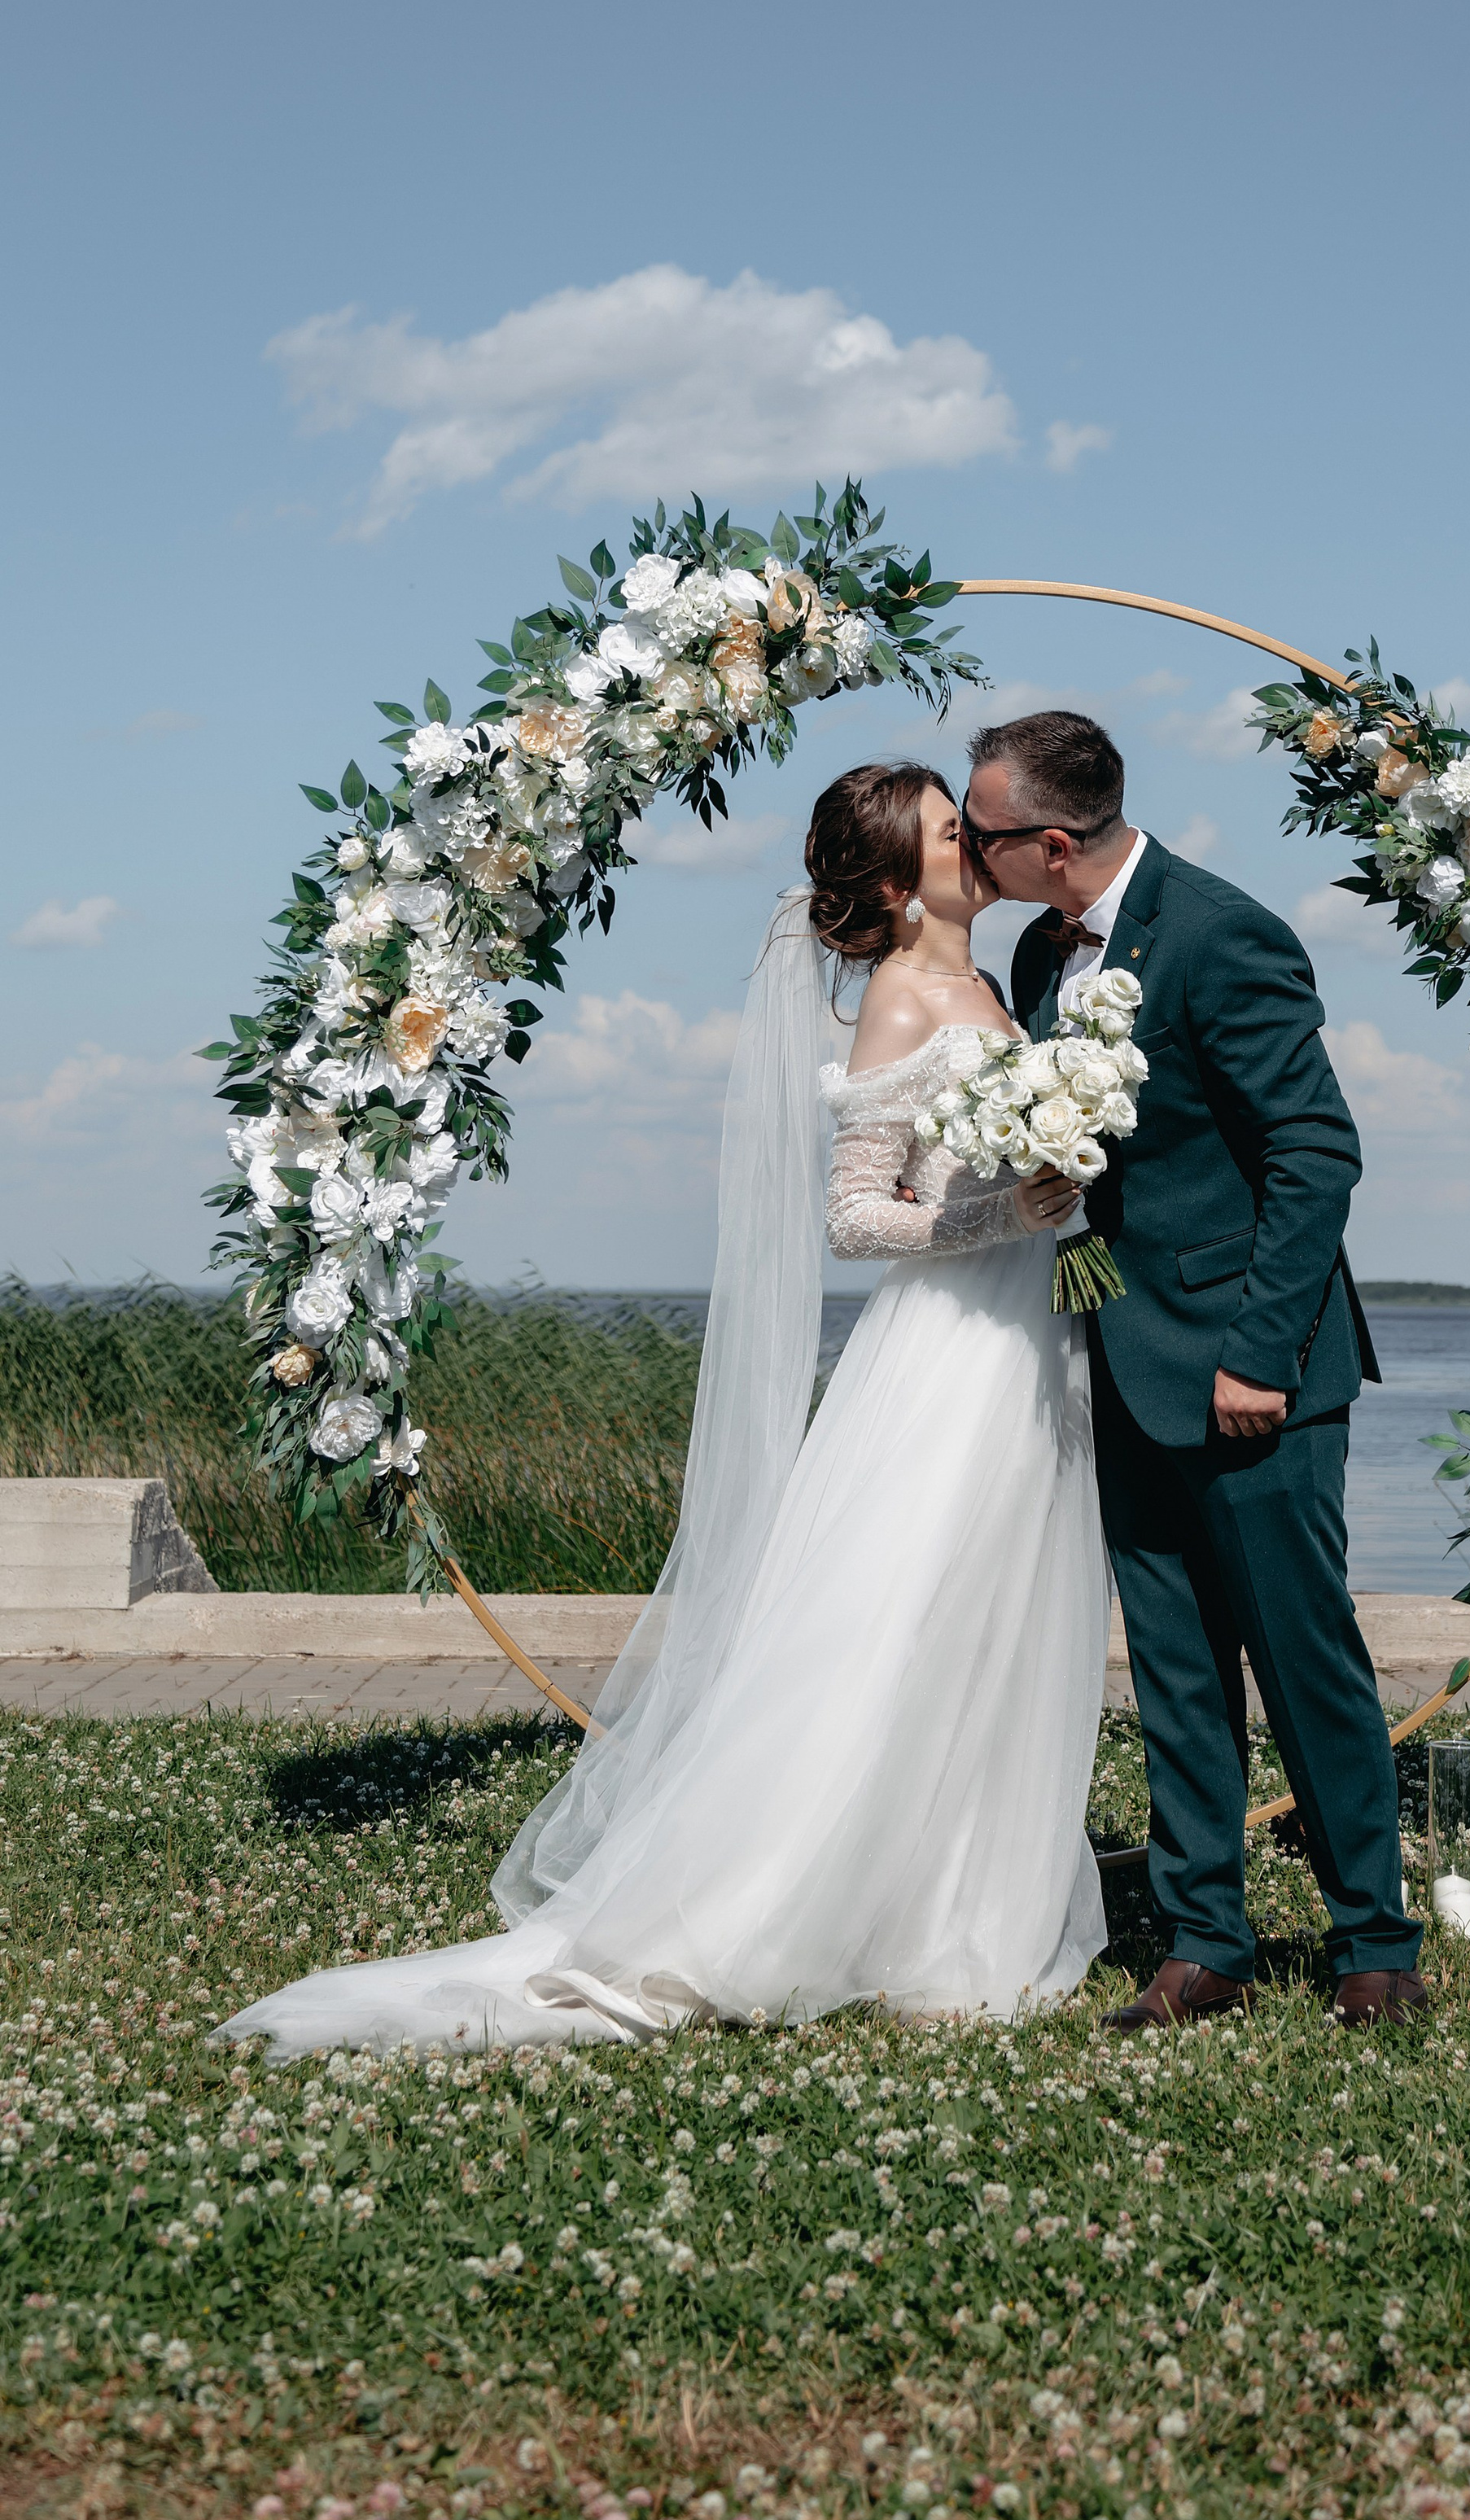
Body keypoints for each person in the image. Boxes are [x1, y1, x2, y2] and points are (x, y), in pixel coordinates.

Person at [213, 763, 1109, 2058]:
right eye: (947, 830)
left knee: (993, 1628)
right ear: (900, 881)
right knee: (895, 1619)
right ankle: (773, 1900)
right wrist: (999, 1209)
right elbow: (857, 1216)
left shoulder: (1000, 984)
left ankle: (951, 1911)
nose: (975, 844)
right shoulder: (908, 1004)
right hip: (946, 1353)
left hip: (1033, 1332)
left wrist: (1059, 1187)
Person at [963, 710, 1429, 2032]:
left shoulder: (1223, 935)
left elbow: (1315, 1154)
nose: (967, 846)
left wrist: (1257, 1359)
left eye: (982, 830)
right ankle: (1204, 1942)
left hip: (1253, 1377)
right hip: (1124, 1365)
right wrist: (1076, 1315)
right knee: (1172, 1669)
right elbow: (1101, 1191)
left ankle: (1375, 1945)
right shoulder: (1045, 948)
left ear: (1051, 843)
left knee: (1303, 1661)